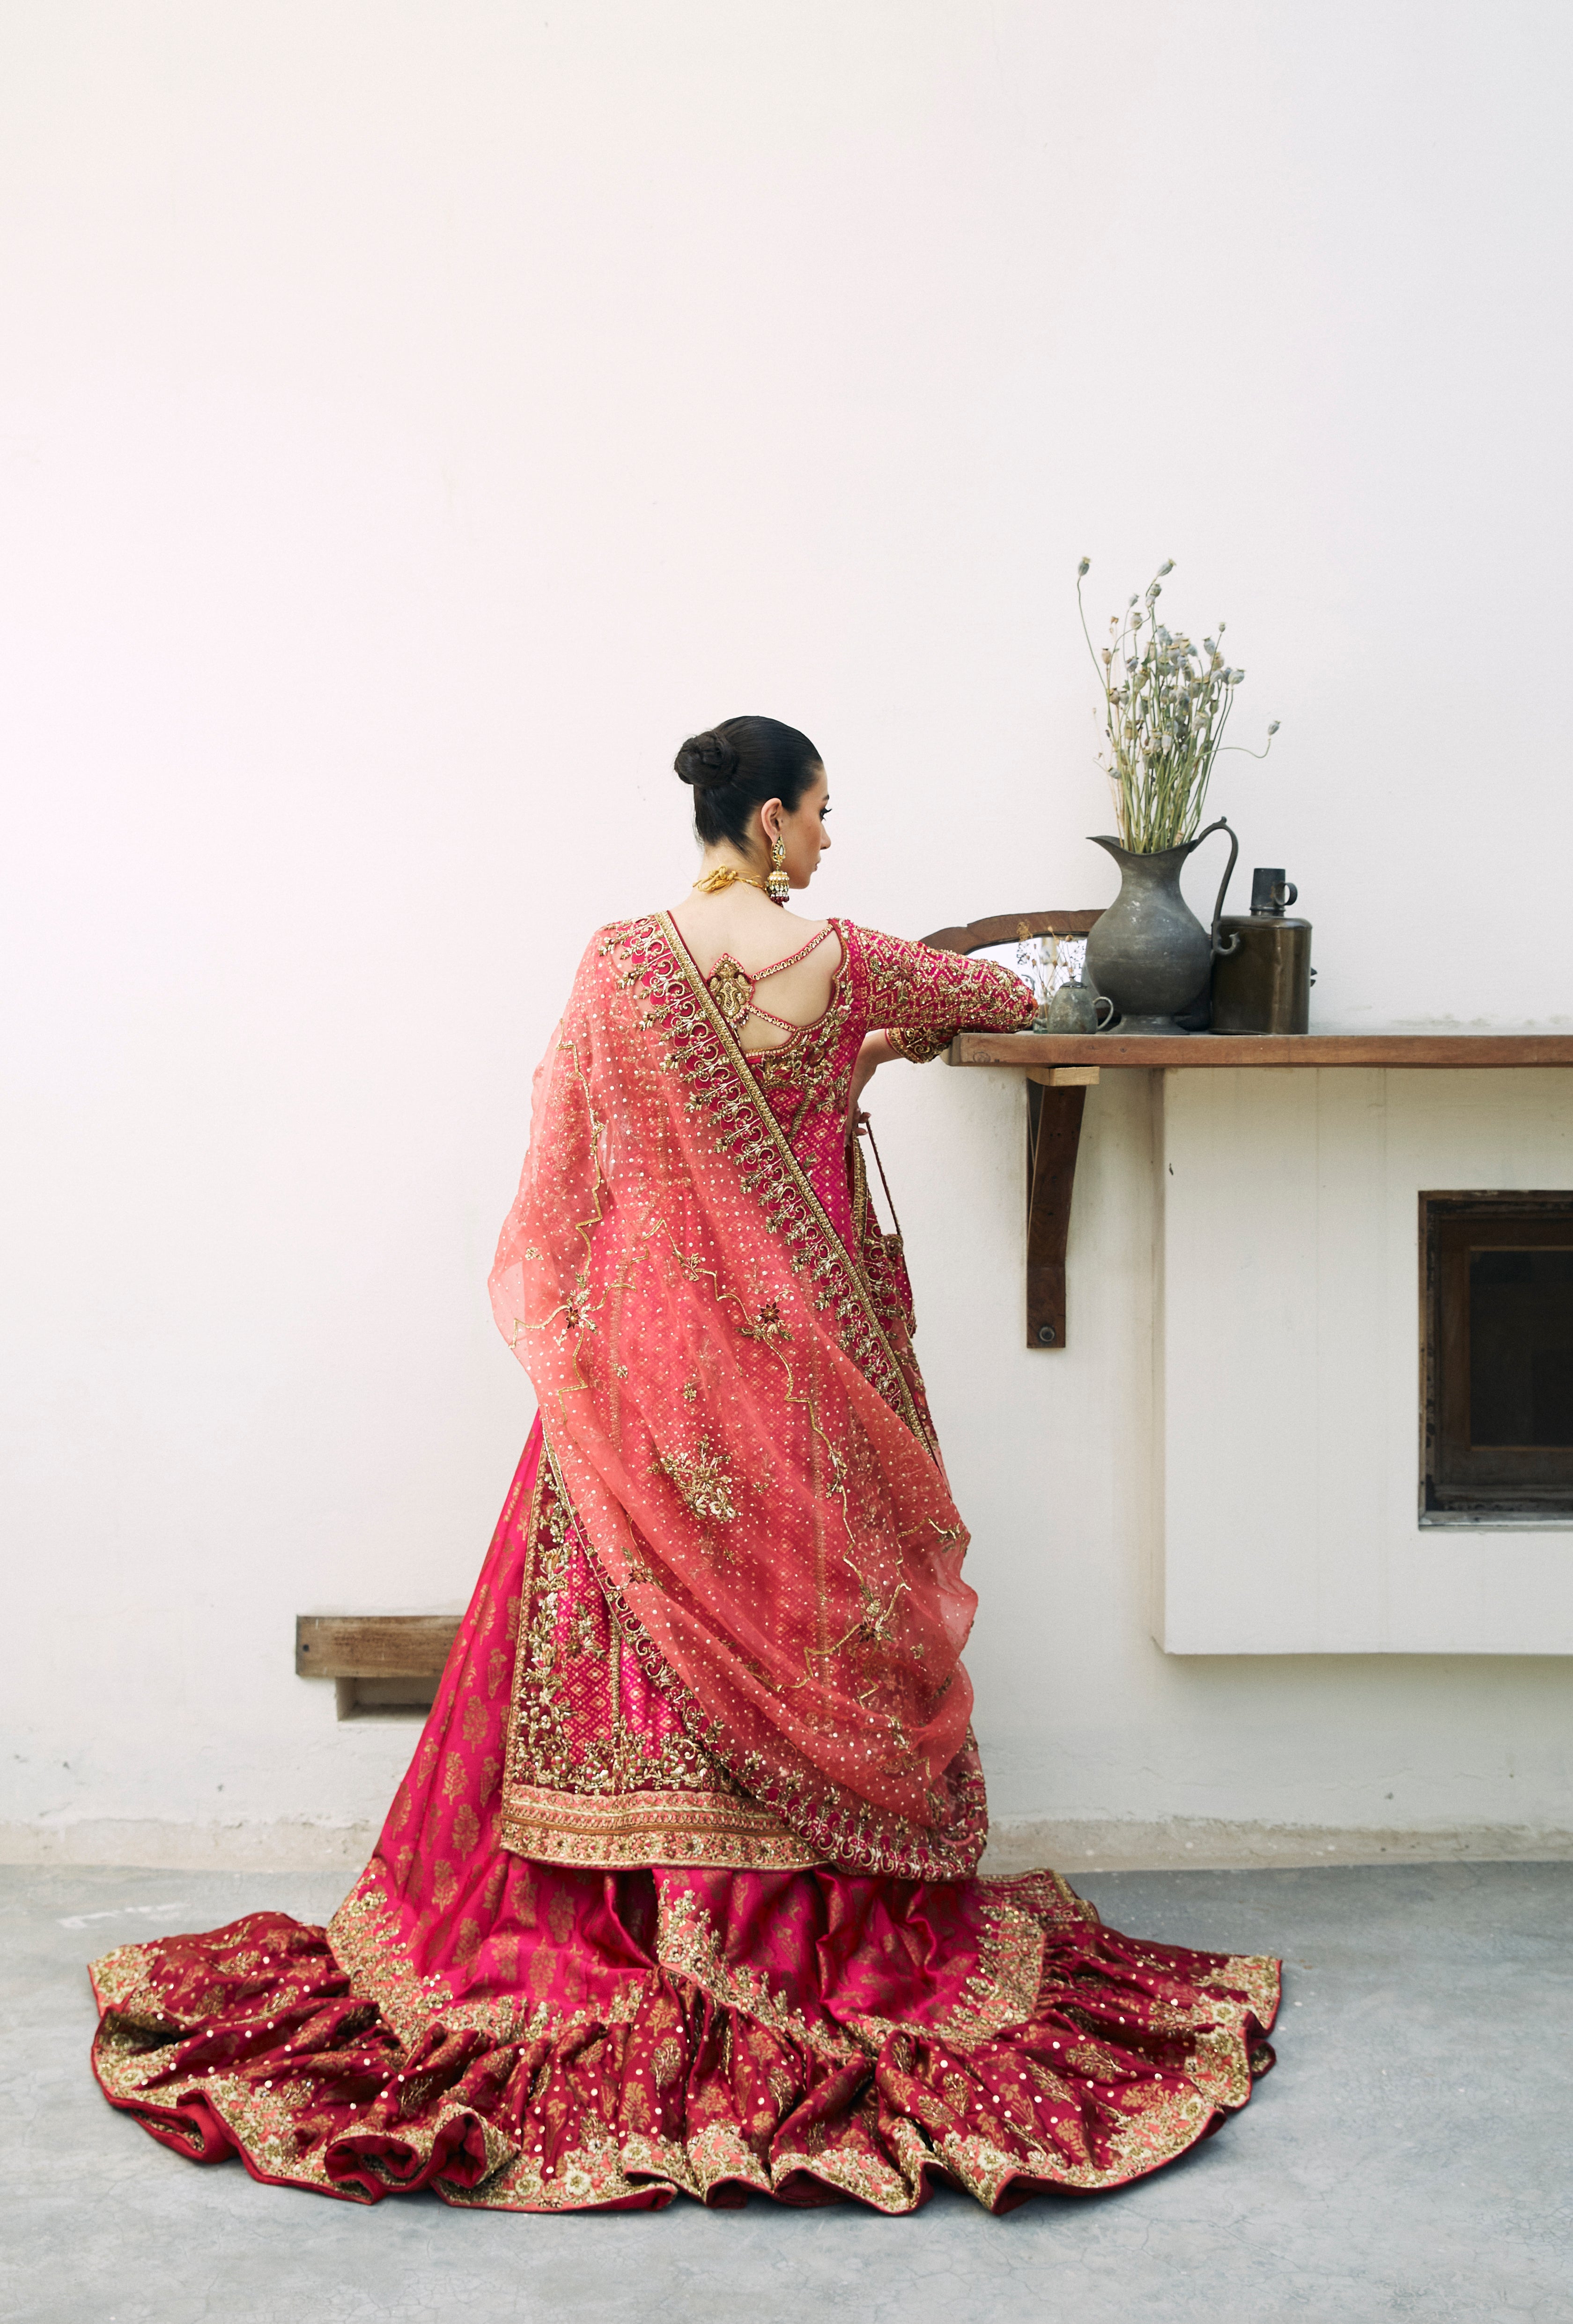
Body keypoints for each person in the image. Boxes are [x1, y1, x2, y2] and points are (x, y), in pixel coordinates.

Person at [88, 716, 1278, 2213]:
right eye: (824, 814)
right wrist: (911, 1027)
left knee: (615, 1634)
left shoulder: (613, 966)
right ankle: (783, 1929)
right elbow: (996, 989)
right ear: (771, 819)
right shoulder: (840, 964)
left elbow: (567, 1189)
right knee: (805, 1629)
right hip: (792, 1388)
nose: (832, 840)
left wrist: (609, 1333)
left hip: (640, 1383)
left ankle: (623, 1920)